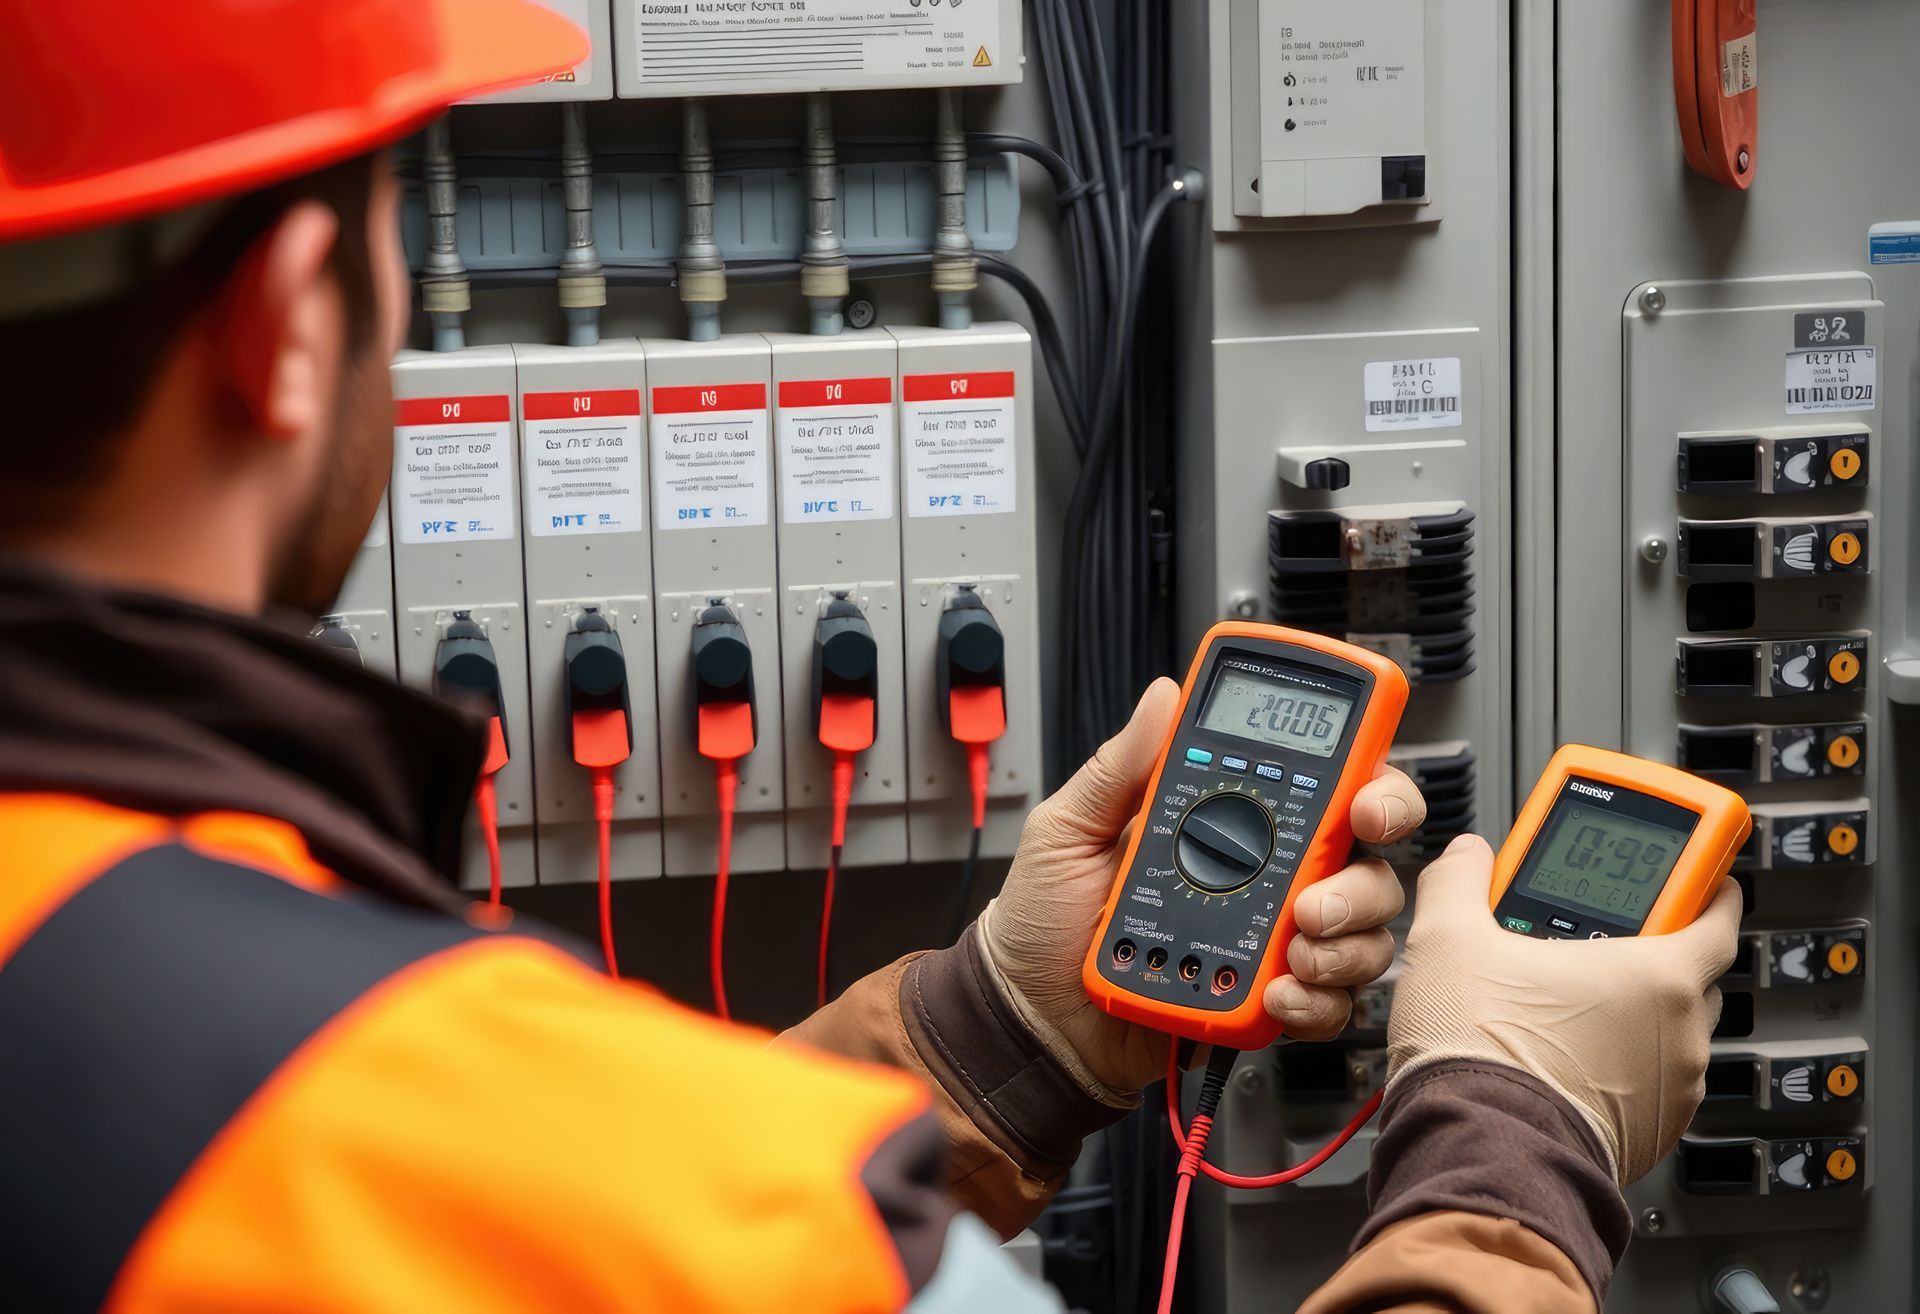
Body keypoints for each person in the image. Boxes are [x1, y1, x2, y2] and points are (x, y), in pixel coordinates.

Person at [0, 4, 1739, 1312]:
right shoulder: (419, 1127)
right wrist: (1510, 1137)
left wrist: (1007, 1030)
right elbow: (603, 1213)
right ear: (292, 320)